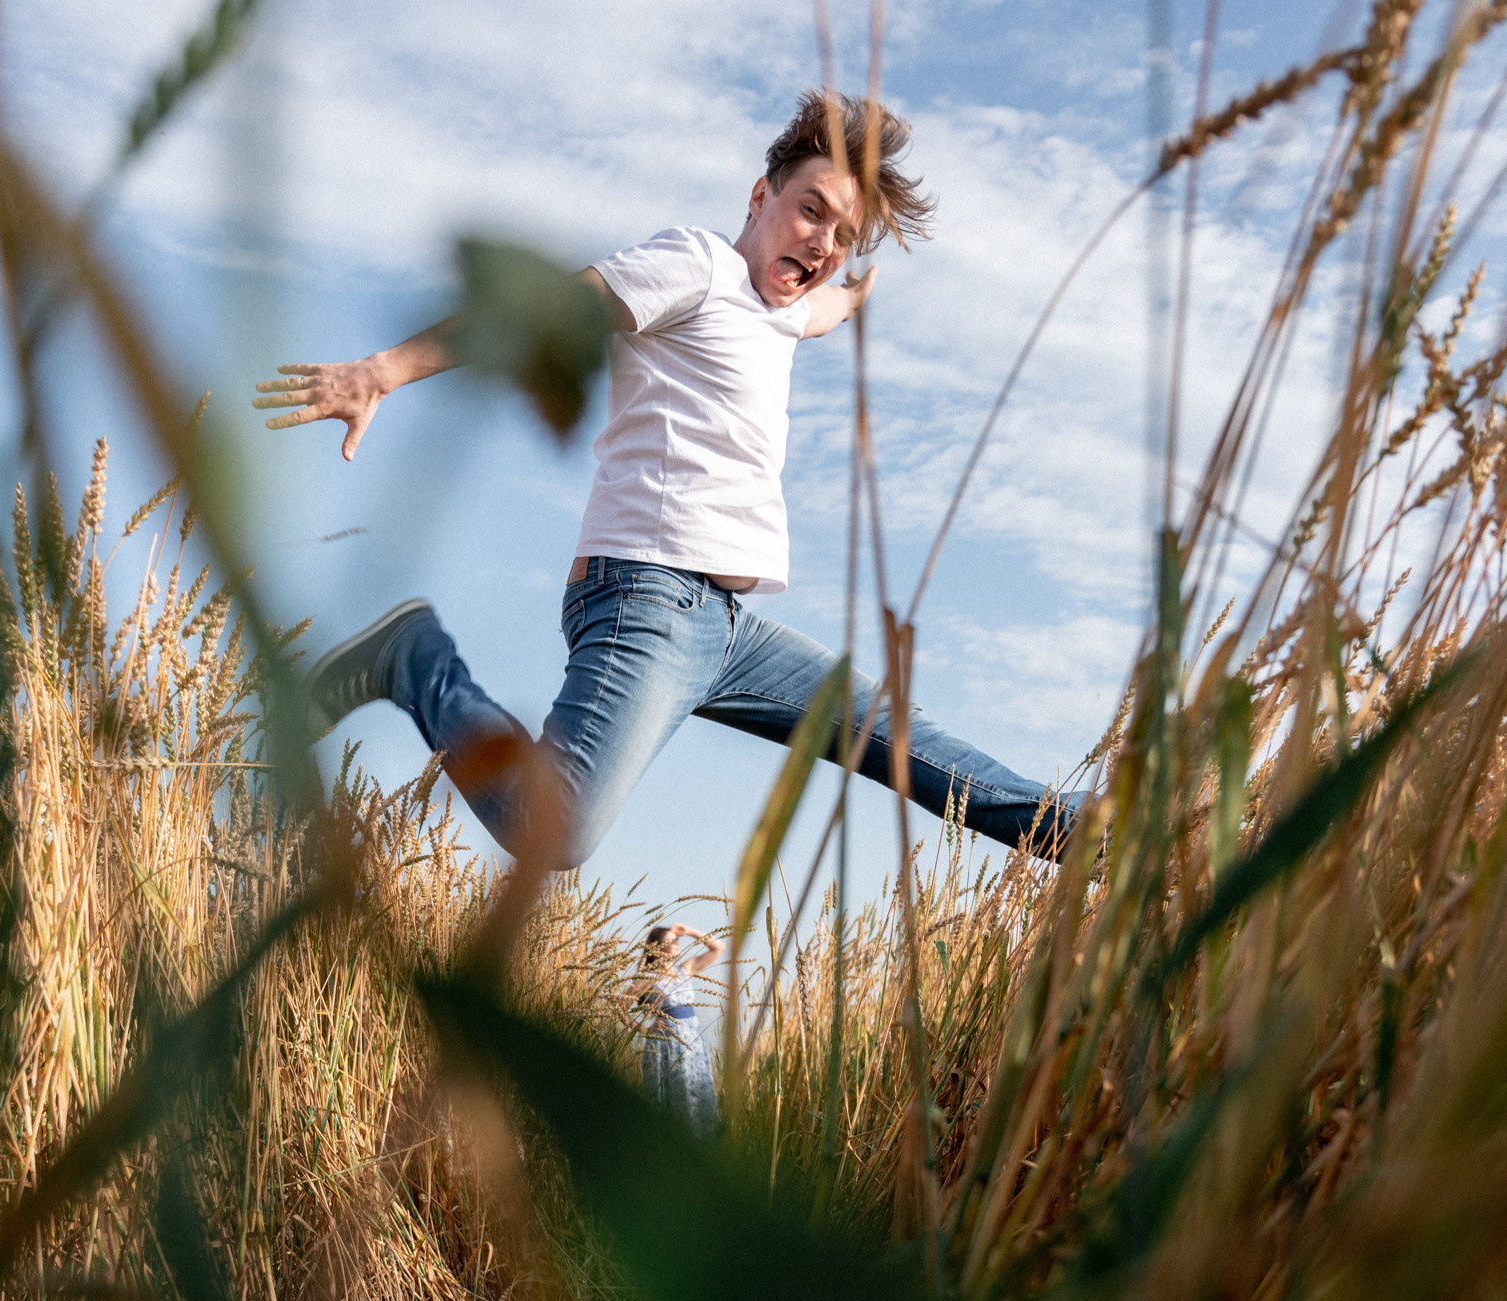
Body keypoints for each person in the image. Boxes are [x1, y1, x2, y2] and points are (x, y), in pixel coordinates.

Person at [255, 91, 1080, 871]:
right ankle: (413, 657)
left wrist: (858, 290)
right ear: (761, 196)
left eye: (843, 234)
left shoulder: (785, 310)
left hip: (729, 631)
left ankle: (1090, 835)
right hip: (645, 597)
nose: (823, 242)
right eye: (811, 210)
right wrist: (384, 370)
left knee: (902, 740)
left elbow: (819, 312)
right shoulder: (695, 266)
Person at [635, 923, 722, 1134]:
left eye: (677, 940)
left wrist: (691, 931)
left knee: (699, 1094)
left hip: (693, 1044)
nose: (677, 944)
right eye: (671, 941)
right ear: (657, 948)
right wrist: (645, 1030)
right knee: (673, 1100)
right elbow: (617, 1005)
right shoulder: (648, 978)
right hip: (666, 1046)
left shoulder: (685, 969)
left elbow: (718, 947)